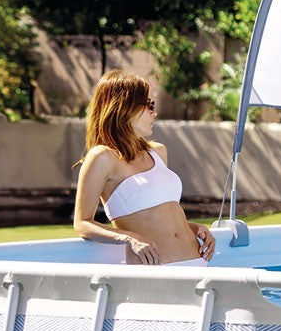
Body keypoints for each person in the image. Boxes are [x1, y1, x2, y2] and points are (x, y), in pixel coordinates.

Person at [73, 70, 215, 266]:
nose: (154, 112)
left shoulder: (158, 152)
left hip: (198, 261)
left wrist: (195, 228)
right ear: (123, 106)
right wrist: (129, 237)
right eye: (148, 105)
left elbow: (161, 216)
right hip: (155, 269)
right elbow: (82, 223)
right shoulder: (102, 157)